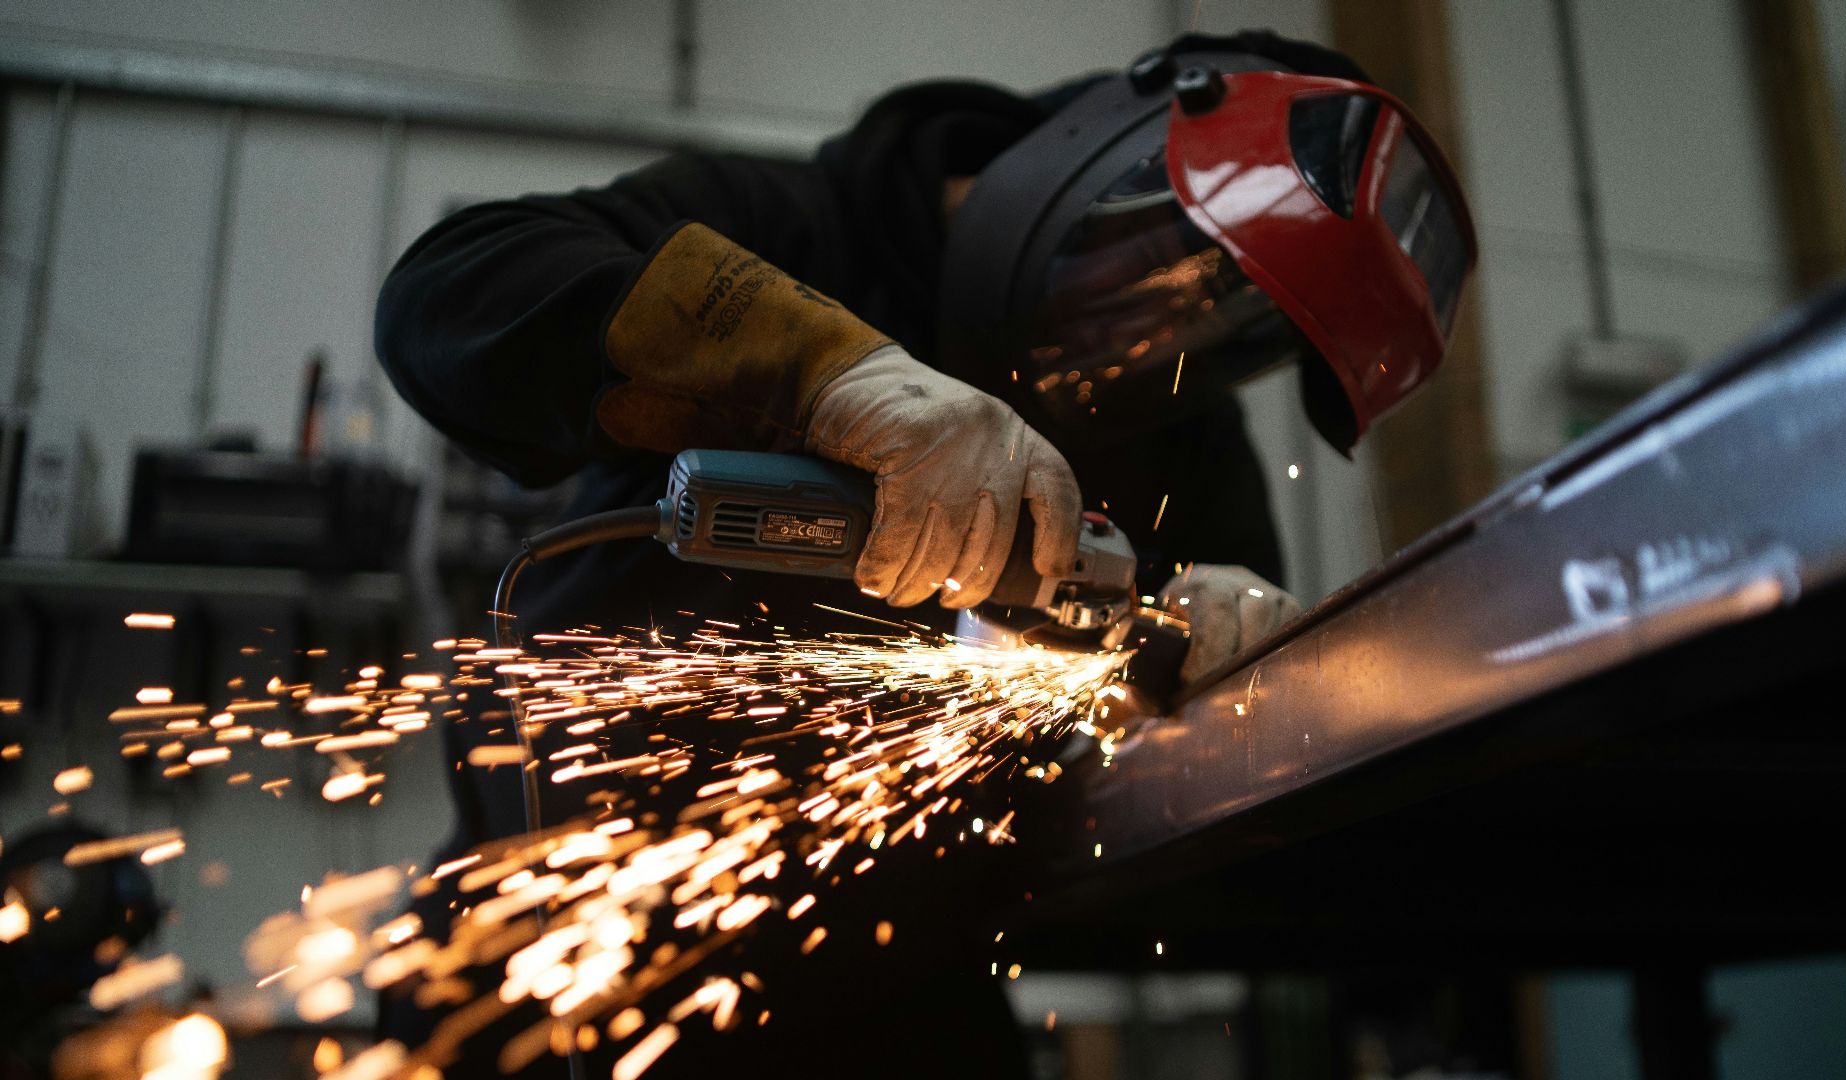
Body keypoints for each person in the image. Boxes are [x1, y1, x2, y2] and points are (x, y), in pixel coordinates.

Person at [375, 28, 1475, 1079]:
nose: (1159, 335)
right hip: (545, 965)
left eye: (1233, 330)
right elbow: (454, 287)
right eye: (1173, 268)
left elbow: (1186, 768)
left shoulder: (1172, 425)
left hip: (890, 999)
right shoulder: (793, 226)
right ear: (1105, 147)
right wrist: (827, 372)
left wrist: (1212, 670)